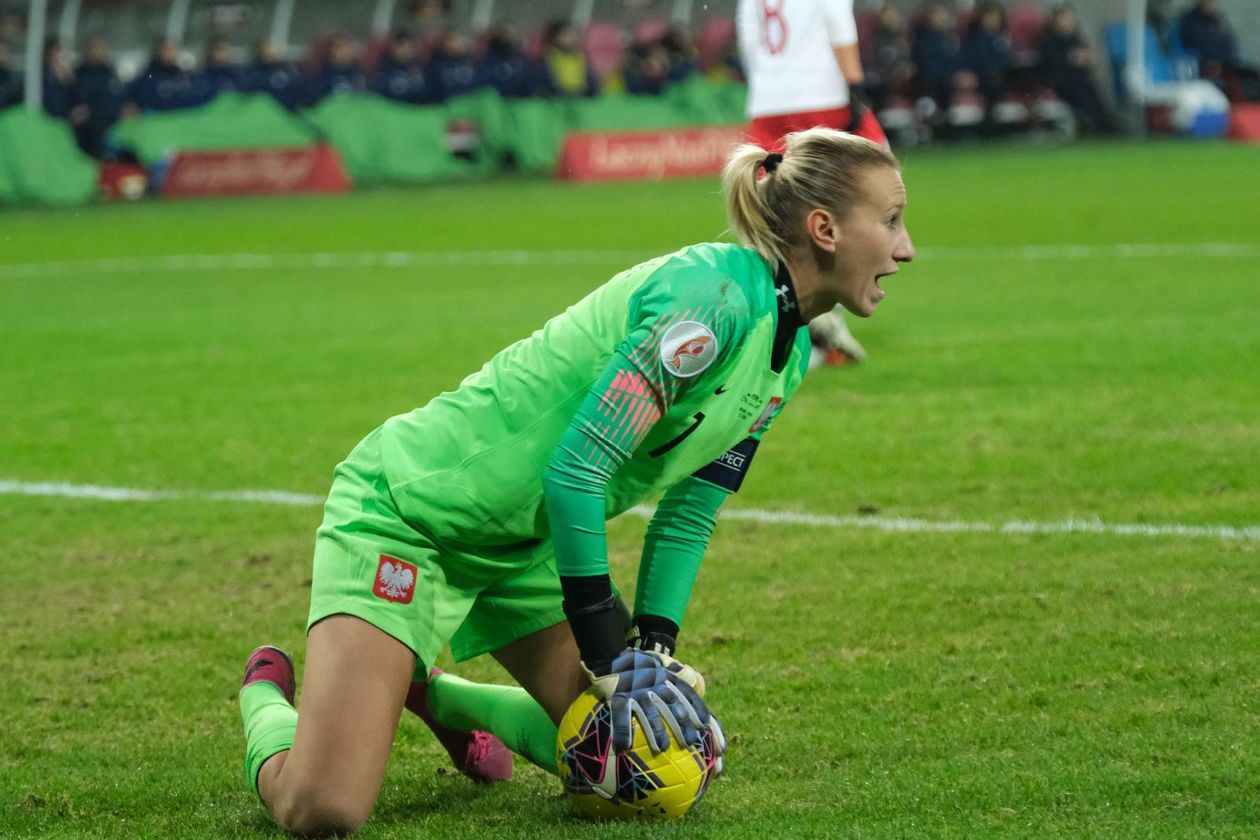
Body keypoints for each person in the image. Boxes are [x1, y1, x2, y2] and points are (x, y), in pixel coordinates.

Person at [237, 126, 915, 836]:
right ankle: (265, 691)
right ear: (825, 228)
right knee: (323, 811)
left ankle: (432, 695)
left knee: (643, 764)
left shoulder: (789, 353)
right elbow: (576, 470)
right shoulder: (711, 305)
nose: (906, 248)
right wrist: (604, 652)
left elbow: (688, 515)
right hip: (415, 514)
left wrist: (652, 650)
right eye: (892, 221)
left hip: (528, 542)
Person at [736, 0, 888, 365]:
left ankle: (791, 327)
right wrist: (855, 86)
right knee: (873, 188)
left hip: (768, 100)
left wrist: (769, 80)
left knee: (776, 216)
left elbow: (749, 40)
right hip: (822, 95)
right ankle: (825, 314)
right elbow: (837, 22)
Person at [1038, 4, 1118, 134]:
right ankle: (1094, 124)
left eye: (1071, 18)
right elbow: (1052, 64)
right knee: (1083, 94)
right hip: (1061, 83)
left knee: (1092, 94)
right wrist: (1072, 58)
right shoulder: (1049, 41)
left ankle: (1104, 123)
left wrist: (1087, 59)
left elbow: (1088, 60)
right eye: (1065, 18)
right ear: (1055, 20)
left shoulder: (1076, 39)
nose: (1070, 21)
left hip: (1080, 81)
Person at [73, 37, 126, 158]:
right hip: (94, 120)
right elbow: (81, 98)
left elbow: (120, 94)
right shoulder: (80, 74)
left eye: (101, 50)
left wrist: (126, 106)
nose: (98, 53)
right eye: (94, 49)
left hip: (113, 116)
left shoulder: (111, 72)